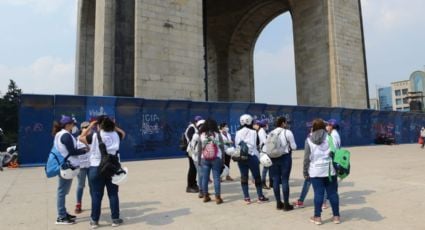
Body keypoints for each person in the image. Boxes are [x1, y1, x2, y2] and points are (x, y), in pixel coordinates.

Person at [79, 116, 126, 228]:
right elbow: (123, 133)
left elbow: (81, 137)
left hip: (96, 167)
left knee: (96, 195)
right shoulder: (116, 135)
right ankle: (115, 219)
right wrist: (115, 127)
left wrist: (91, 125)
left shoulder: (95, 135)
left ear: (99, 125)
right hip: (112, 167)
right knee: (113, 194)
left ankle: (94, 221)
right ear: (111, 125)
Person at [304, 119, 340, 225]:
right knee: (333, 193)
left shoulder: (309, 139)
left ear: (313, 127)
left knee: (318, 194)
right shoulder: (330, 137)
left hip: (315, 171)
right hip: (330, 170)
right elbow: (335, 153)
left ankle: (317, 217)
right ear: (324, 127)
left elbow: (306, 158)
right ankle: (336, 216)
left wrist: (305, 172)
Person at [52, 115, 87, 225]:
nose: (74, 125)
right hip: (67, 166)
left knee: (63, 191)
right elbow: (72, 151)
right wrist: (84, 150)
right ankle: (61, 216)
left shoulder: (60, 134)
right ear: (68, 125)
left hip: (65, 165)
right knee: (62, 192)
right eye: (72, 124)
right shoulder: (66, 135)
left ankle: (63, 213)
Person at [235, 114, 269, 204]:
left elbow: (236, 144)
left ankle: (247, 198)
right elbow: (257, 144)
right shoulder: (254, 131)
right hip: (252, 156)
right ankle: (260, 196)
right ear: (250, 121)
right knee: (257, 177)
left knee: (244, 177)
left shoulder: (238, 132)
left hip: (241, 157)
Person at [268, 117, 297, 211]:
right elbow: (294, 146)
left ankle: (278, 203)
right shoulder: (287, 132)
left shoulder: (271, 133)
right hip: (285, 158)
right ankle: (286, 204)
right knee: (285, 180)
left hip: (273, 158)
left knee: (275, 180)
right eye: (286, 122)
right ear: (283, 123)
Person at [197, 118, 225, 204]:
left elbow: (199, 149)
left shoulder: (201, 135)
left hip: (204, 159)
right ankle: (218, 197)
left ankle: (205, 196)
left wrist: (199, 160)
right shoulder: (217, 135)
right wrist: (223, 160)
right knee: (216, 178)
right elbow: (222, 148)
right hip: (216, 158)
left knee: (205, 178)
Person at [74, 121, 92, 214]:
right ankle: (78, 204)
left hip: (91, 165)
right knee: (81, 185)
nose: (87, 129)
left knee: (92, 185)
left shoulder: (93, 137)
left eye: (88, 127)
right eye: (85, 127)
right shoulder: (77, 139)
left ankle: (94, 203)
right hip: (81, 166)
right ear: (81, 129)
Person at [184, 116, 203, 193]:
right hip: (191, 151)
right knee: (192, 168)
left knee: (195, 168)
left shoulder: (196, 128)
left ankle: (194, 184)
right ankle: (189, 186)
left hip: (195, 151)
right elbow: (190, 140)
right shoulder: (191, 128)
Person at [255, 119, 272, 189]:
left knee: (269, 167)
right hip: (264, 152)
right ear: (265, 125)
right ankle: (263, 183)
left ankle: (271, 182)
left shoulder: (263, 131)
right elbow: (265, 141)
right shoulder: (261, 131)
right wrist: (270, 138)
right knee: (266, 168)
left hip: (266, 151)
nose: (268, 125)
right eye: (267, 124)